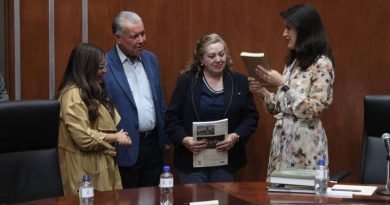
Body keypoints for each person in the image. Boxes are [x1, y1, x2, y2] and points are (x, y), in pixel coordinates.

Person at [248, 3, 335, 179]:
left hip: (305, 148)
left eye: (289, 28)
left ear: (304, 30)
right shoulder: (293, 63)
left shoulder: (322, 64)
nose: (284, 34)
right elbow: (280, 108)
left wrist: (283, 84)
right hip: (281, 145)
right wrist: (263, 92)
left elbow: (313, 109)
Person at [165, 33, 259, 183]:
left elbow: (251, 117)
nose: (218, 60)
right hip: (192, 160)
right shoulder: (186, 82)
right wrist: (184, 139)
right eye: (212, 56)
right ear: (201, 59)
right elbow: (171, 117)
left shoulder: (239, 81)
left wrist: (235, 137)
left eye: (222, 54)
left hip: (226, 160)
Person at [104, 11, 169, 188]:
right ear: (118, 37)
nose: (142, 40)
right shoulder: (104, 65)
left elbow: (159, 101)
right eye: (134, 36)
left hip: (153, 146)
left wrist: (164, 138)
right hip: (124, 148)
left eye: (143, 33)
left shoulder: (151, 59)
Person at [57, 43, 132, 195]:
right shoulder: (72, 95)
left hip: (101, 166)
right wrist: (115, 137)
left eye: (104, 66)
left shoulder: (92, 90)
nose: (104, 71)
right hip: (83, 171)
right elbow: (83, 137)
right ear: (86, 69)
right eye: (100, 67)